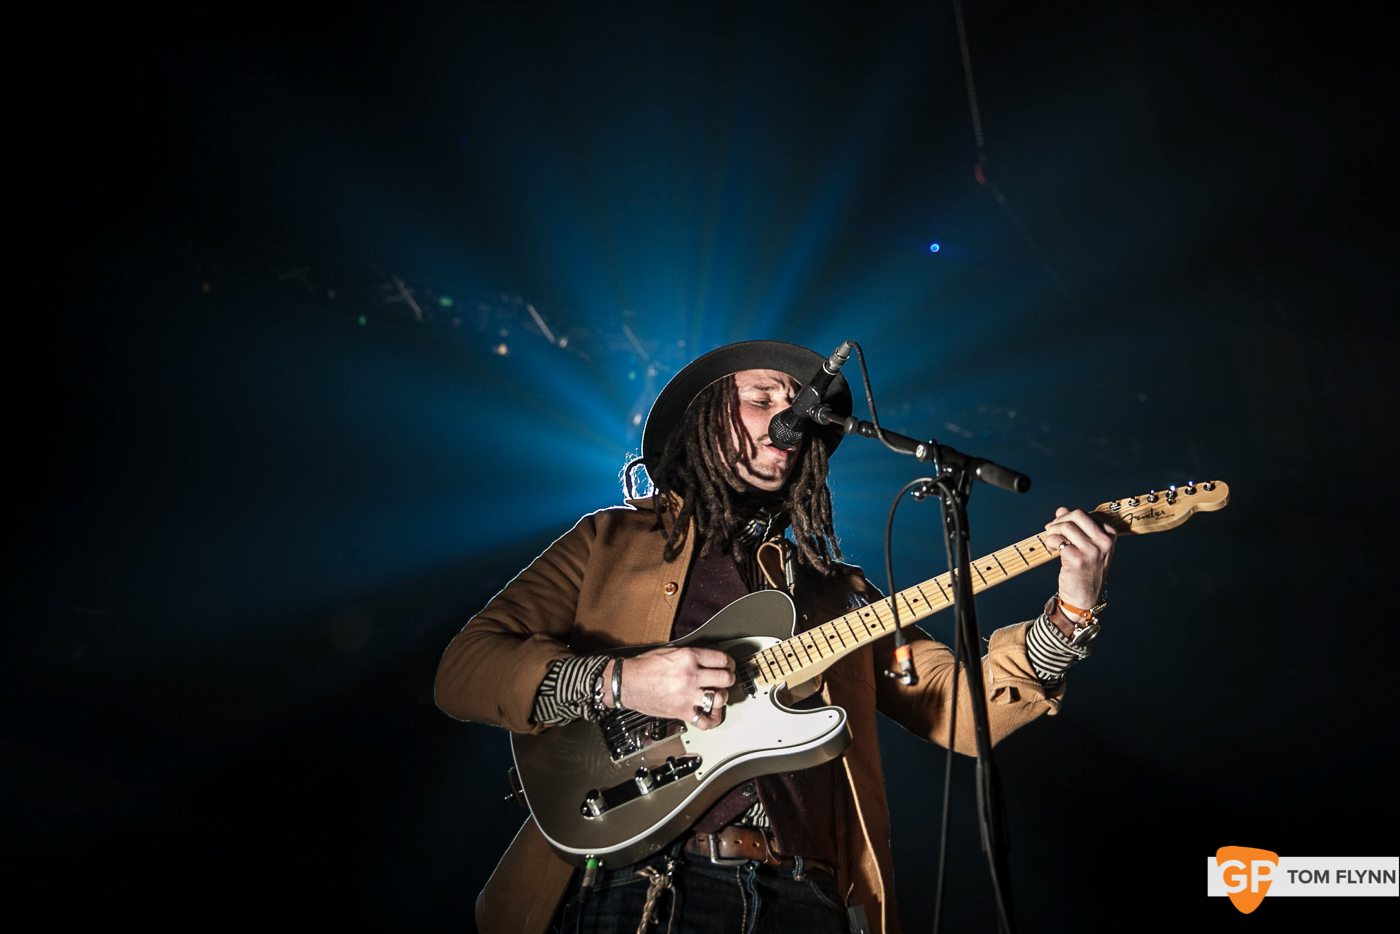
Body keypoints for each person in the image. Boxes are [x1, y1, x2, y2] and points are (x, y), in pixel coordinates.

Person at [434, 340, 1116, 933]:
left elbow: (960, 709)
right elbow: (465, 668)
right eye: (764, 397)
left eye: (800, 404)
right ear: (706, 417)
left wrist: (1070, 611)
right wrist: (623, 680)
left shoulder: (835, 592)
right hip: (644, 888)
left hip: (803, 901)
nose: (792, 414)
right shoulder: (611, 541)